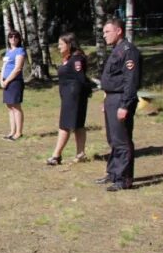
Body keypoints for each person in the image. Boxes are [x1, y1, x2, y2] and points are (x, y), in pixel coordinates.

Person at [97, 18, 142, 191]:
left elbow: (131, 81)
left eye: (107, 31)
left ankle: (124, 179)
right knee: (113, 139)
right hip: (112, 99)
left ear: (119, 31)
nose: (104, 35)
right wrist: (106, 99)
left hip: (121, 99)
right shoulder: (116, 50)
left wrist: (124, 105)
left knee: (122, 140)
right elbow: (112, 78)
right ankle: (114, 173)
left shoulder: (128, 51)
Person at [47, 33, 90, 165]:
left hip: (74, 97)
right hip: (68, 96)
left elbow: (81, 78)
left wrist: (85, 92)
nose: (58, 46)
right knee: (78, 125)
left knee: (65, 125)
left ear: (69, 44)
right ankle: (80, 153)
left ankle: (56, 155)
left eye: (61, 44)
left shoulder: (77, 58)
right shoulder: (69, 58)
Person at [0, 30, 26, 141]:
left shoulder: (20, 50)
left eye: (15, 36)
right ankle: (12, 131)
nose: (13, 38)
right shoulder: (8, 52)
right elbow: (4, 66)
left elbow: (18, 68)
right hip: (6, 81)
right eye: (11, 36)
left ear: (19, 39)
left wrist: (7, 81)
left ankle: (18, 133)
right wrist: (1, 79)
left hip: (15, 82)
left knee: (16, 107)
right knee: (9, 107)